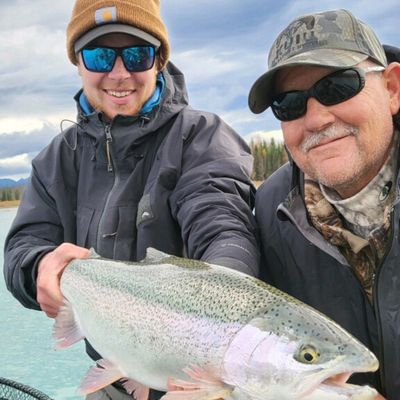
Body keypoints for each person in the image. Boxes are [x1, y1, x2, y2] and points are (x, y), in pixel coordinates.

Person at [3, 1, 259, 399]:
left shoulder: (202, 137)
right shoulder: (55, 159)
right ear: (78, 62)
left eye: (137, 55)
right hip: (112, 373)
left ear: (158, 61)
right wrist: (39, 266)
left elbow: (221, 222)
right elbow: (22, 247)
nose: (119, 73)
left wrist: (224, 311)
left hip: (194, 377)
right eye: (100, 55)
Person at [248, 9, 400, 400]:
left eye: (338, 86)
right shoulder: (268, 211)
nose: (314, 119)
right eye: (289, 103)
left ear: (392, 88)